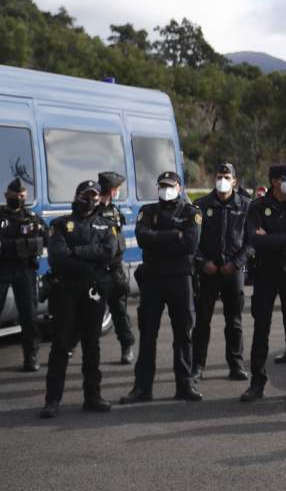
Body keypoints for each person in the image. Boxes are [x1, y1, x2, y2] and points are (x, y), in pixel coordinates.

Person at [121, 171, 202, 404]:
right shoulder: (147, 211)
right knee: (147, 334)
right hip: (153, 278)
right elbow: (143, 237)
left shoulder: (191, 213)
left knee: (184, 334)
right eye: (162, 185)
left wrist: (160, 238)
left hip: (180, 279)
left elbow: (190, 243)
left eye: (170, 185)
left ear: (179, 187)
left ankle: (185, 385)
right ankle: (142, 388)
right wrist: (173, 235)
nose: (166, 189)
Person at [41, 180, 117, 418]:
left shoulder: (107, 225)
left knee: (91, 346)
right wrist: (90, 260)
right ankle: (52, 400)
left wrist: (77, 252)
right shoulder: (60, 225)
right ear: (77, 196)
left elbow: (109, 252)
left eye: (95, 195)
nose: (92, 199)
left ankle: (92, 397)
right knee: (61, 345)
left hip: (93, 292)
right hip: (66, 291)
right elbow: (58, 258)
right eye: (87, 195)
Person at [242, 163, 286, 402]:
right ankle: (257, 383)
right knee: (261, 328)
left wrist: (273, 238)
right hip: (265, 273)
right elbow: (255, 241)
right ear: (274, 181)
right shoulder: (257, 207)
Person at [191, 162, 251, 381]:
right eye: (219, 176)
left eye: (227, 177)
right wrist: (202, 262)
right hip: (208, 271)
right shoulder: (200, 205)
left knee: (234, 322)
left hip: (232, 271)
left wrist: (236, 263)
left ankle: (236, 365)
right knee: (202, 322)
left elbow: (251, 241)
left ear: (234, 181)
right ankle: (197, 366)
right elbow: (192, 241)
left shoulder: (246, 206)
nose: (222, 180)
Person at [0, 178, 46, 372]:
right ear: (6, 195)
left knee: (29, 315)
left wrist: (13, 247)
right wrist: (22, 246)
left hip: (25, 270)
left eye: (22, 196)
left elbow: (45, 240)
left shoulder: (32, 217)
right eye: (15, 195)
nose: (19, 199)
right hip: (2, 269)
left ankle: (31, 355)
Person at [96, 171, 135, 365]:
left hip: (115, 270)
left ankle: (127, 347)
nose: (118, 192)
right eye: (117, 189)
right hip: (96, 272)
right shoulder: (91, 210)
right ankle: (70, 347)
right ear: (112, 190)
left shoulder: (115, 212)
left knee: (119, 312)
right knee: (88, 311)